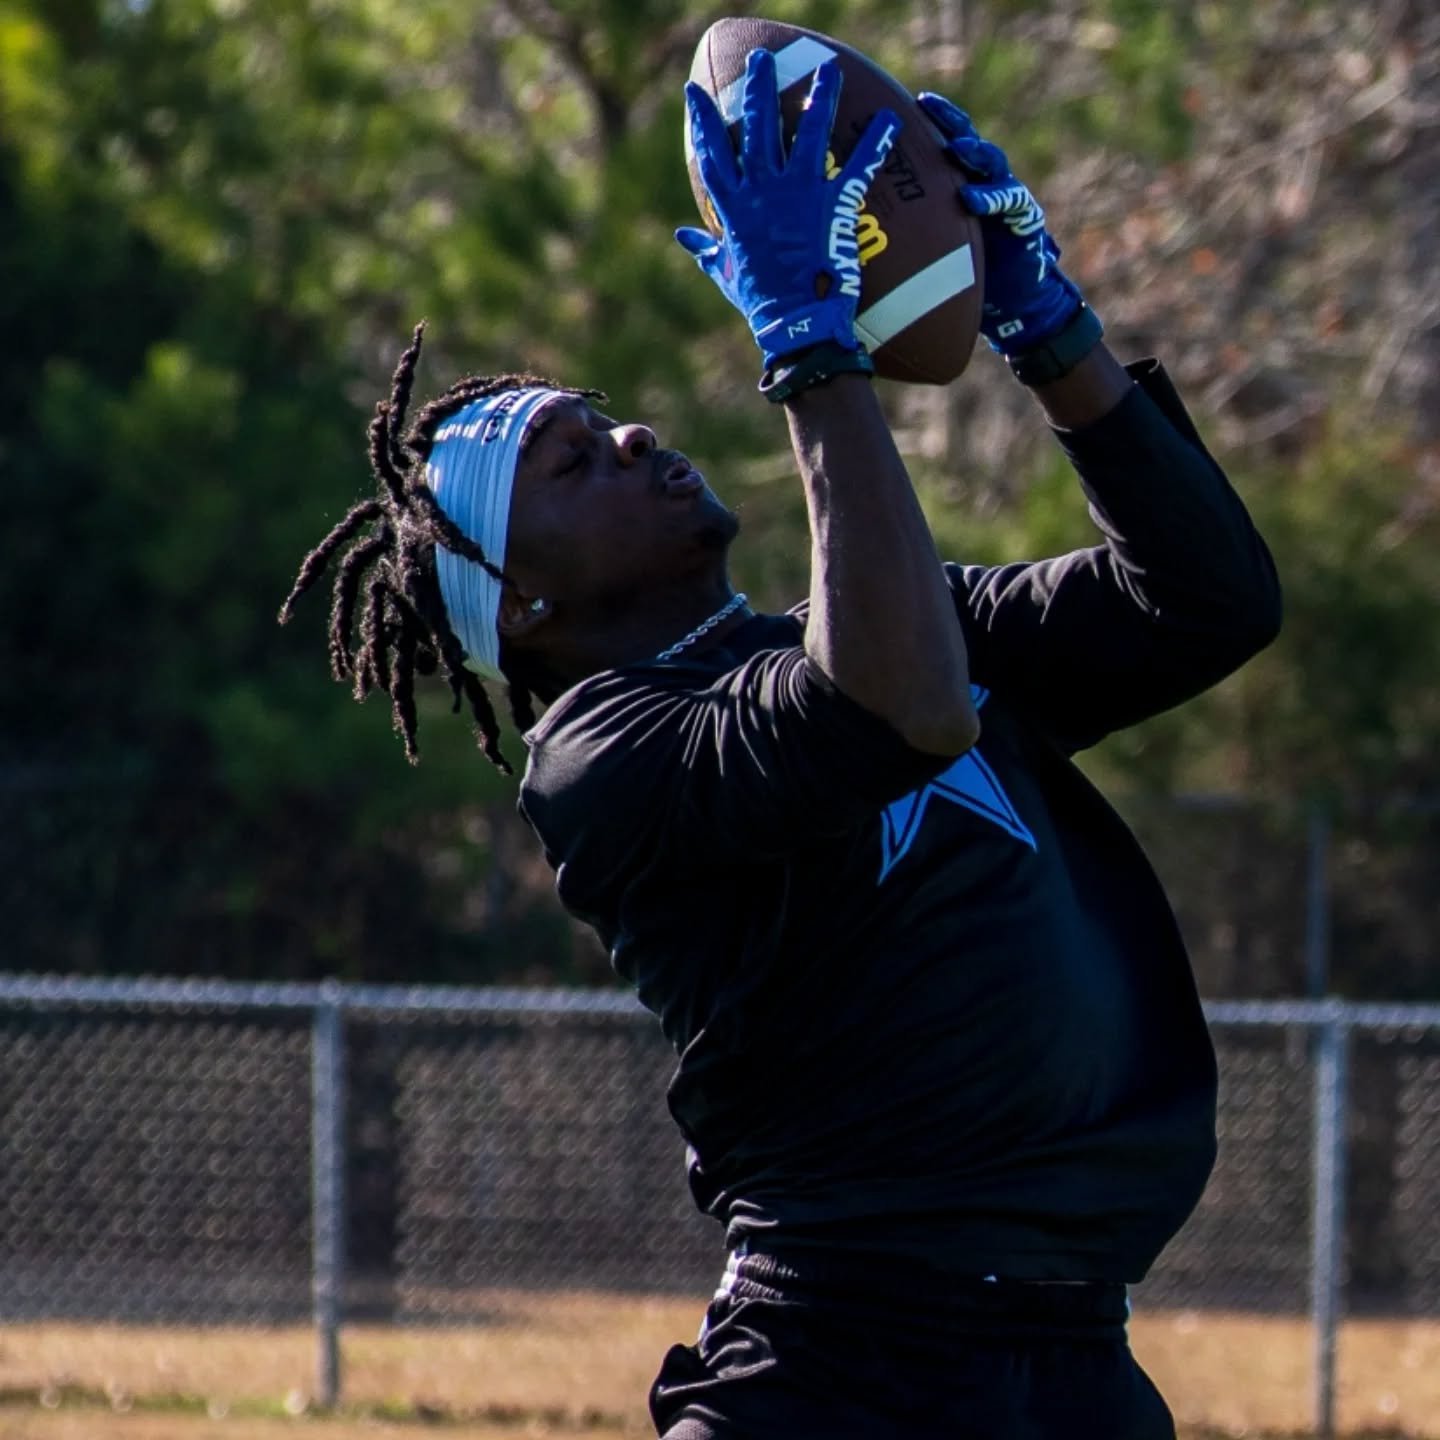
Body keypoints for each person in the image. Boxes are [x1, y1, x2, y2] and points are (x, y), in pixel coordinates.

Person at [282, 51, 1281, 1440]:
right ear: (524, 601)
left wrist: (1051, 333)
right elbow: (899, 710)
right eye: (577, 462)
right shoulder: (600, 759)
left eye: (603, 421)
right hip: (845, 1370)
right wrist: (812, 351)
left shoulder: (891, 627)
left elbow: (1210, 601)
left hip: (1074, 1367)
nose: (632, 431)